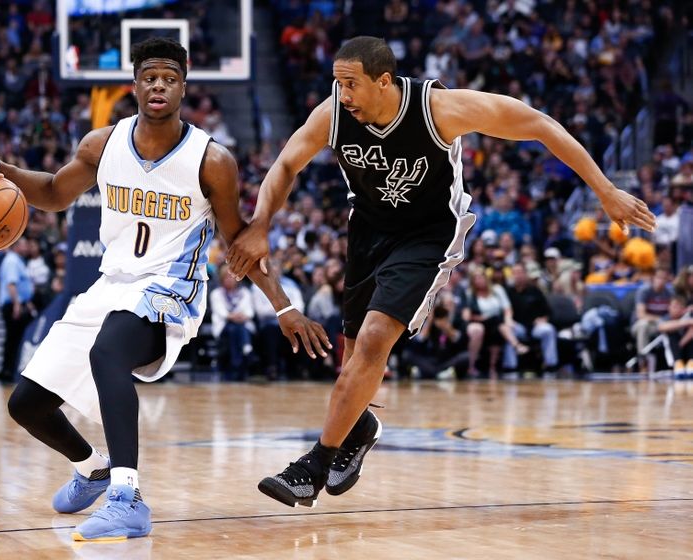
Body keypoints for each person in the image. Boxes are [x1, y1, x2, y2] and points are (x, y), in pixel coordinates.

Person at [225, 36, 656, 507]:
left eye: (351, 84)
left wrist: (605, 190)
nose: (342, 94)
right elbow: (286, 163)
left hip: (427, 237)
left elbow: (539, 124)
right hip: (368, 233)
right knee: (353, 358)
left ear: (384, 81)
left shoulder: (439, 109)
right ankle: (359, 426)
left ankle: (314, 466)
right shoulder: (333, 114)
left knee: (374, 339)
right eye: (338, 83)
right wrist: (261, 223)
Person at [0, 38, 329, 541]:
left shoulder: (211, 160)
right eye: (150, 77)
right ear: (134, 85)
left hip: (170, 291)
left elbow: (238, 241)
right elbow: (54, 193)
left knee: (108, 352)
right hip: (112, 284)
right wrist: (2, 169)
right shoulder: (101, 145)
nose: (159, 86)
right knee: (26, 404)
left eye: (169, 79)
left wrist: (284, 307)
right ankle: (93, 469)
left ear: (183, 87)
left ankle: (127, 499)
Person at [503, 262, 559, 374]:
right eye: (515, 273)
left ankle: (550, 365)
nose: (518, 275)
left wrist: (543, 319)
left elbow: (548, 312)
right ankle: (510, 367)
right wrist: (509, 321)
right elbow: (504, 311)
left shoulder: (535, 291)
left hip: (534, 326)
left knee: (548, 330)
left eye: (520, 272)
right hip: (517, 326)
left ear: (525, 274)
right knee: (508, 330)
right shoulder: (507, 292)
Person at [0, 236, 35, 382]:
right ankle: (7, 371)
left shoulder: (18, 260)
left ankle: (11, 369)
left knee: (16, 338)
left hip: (18, 303)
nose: (26, 247)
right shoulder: (12, 260)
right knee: (13, 339)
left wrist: (26, 302)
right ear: (16, 246)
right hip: (12, 305)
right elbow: (11, 284)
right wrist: (17, 304)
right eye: (24, 244)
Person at [210, 265, 256, 381]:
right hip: (224, 326)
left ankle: (235, 364)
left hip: (243, 324)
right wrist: (233, 316)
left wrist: (240, 316)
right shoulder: (216, 293)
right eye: (226, 277)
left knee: (235, 329)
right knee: (233, 329)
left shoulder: (245, 292)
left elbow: (250, 312)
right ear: (221, 279)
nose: (229, 280)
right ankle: (247, 348)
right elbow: (221, 312)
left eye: (231, 277)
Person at [631, 268, 673, 372]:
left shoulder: (669, 293)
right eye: (659, 277)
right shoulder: (644, 291)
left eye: (664, 278)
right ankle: (643, 362)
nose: (661, 281)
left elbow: (673, 313)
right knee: (643, 325)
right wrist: (659, 319)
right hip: (640, 326)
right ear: (653, 278)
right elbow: (641, 315)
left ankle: (677, 362)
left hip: (660, 326)